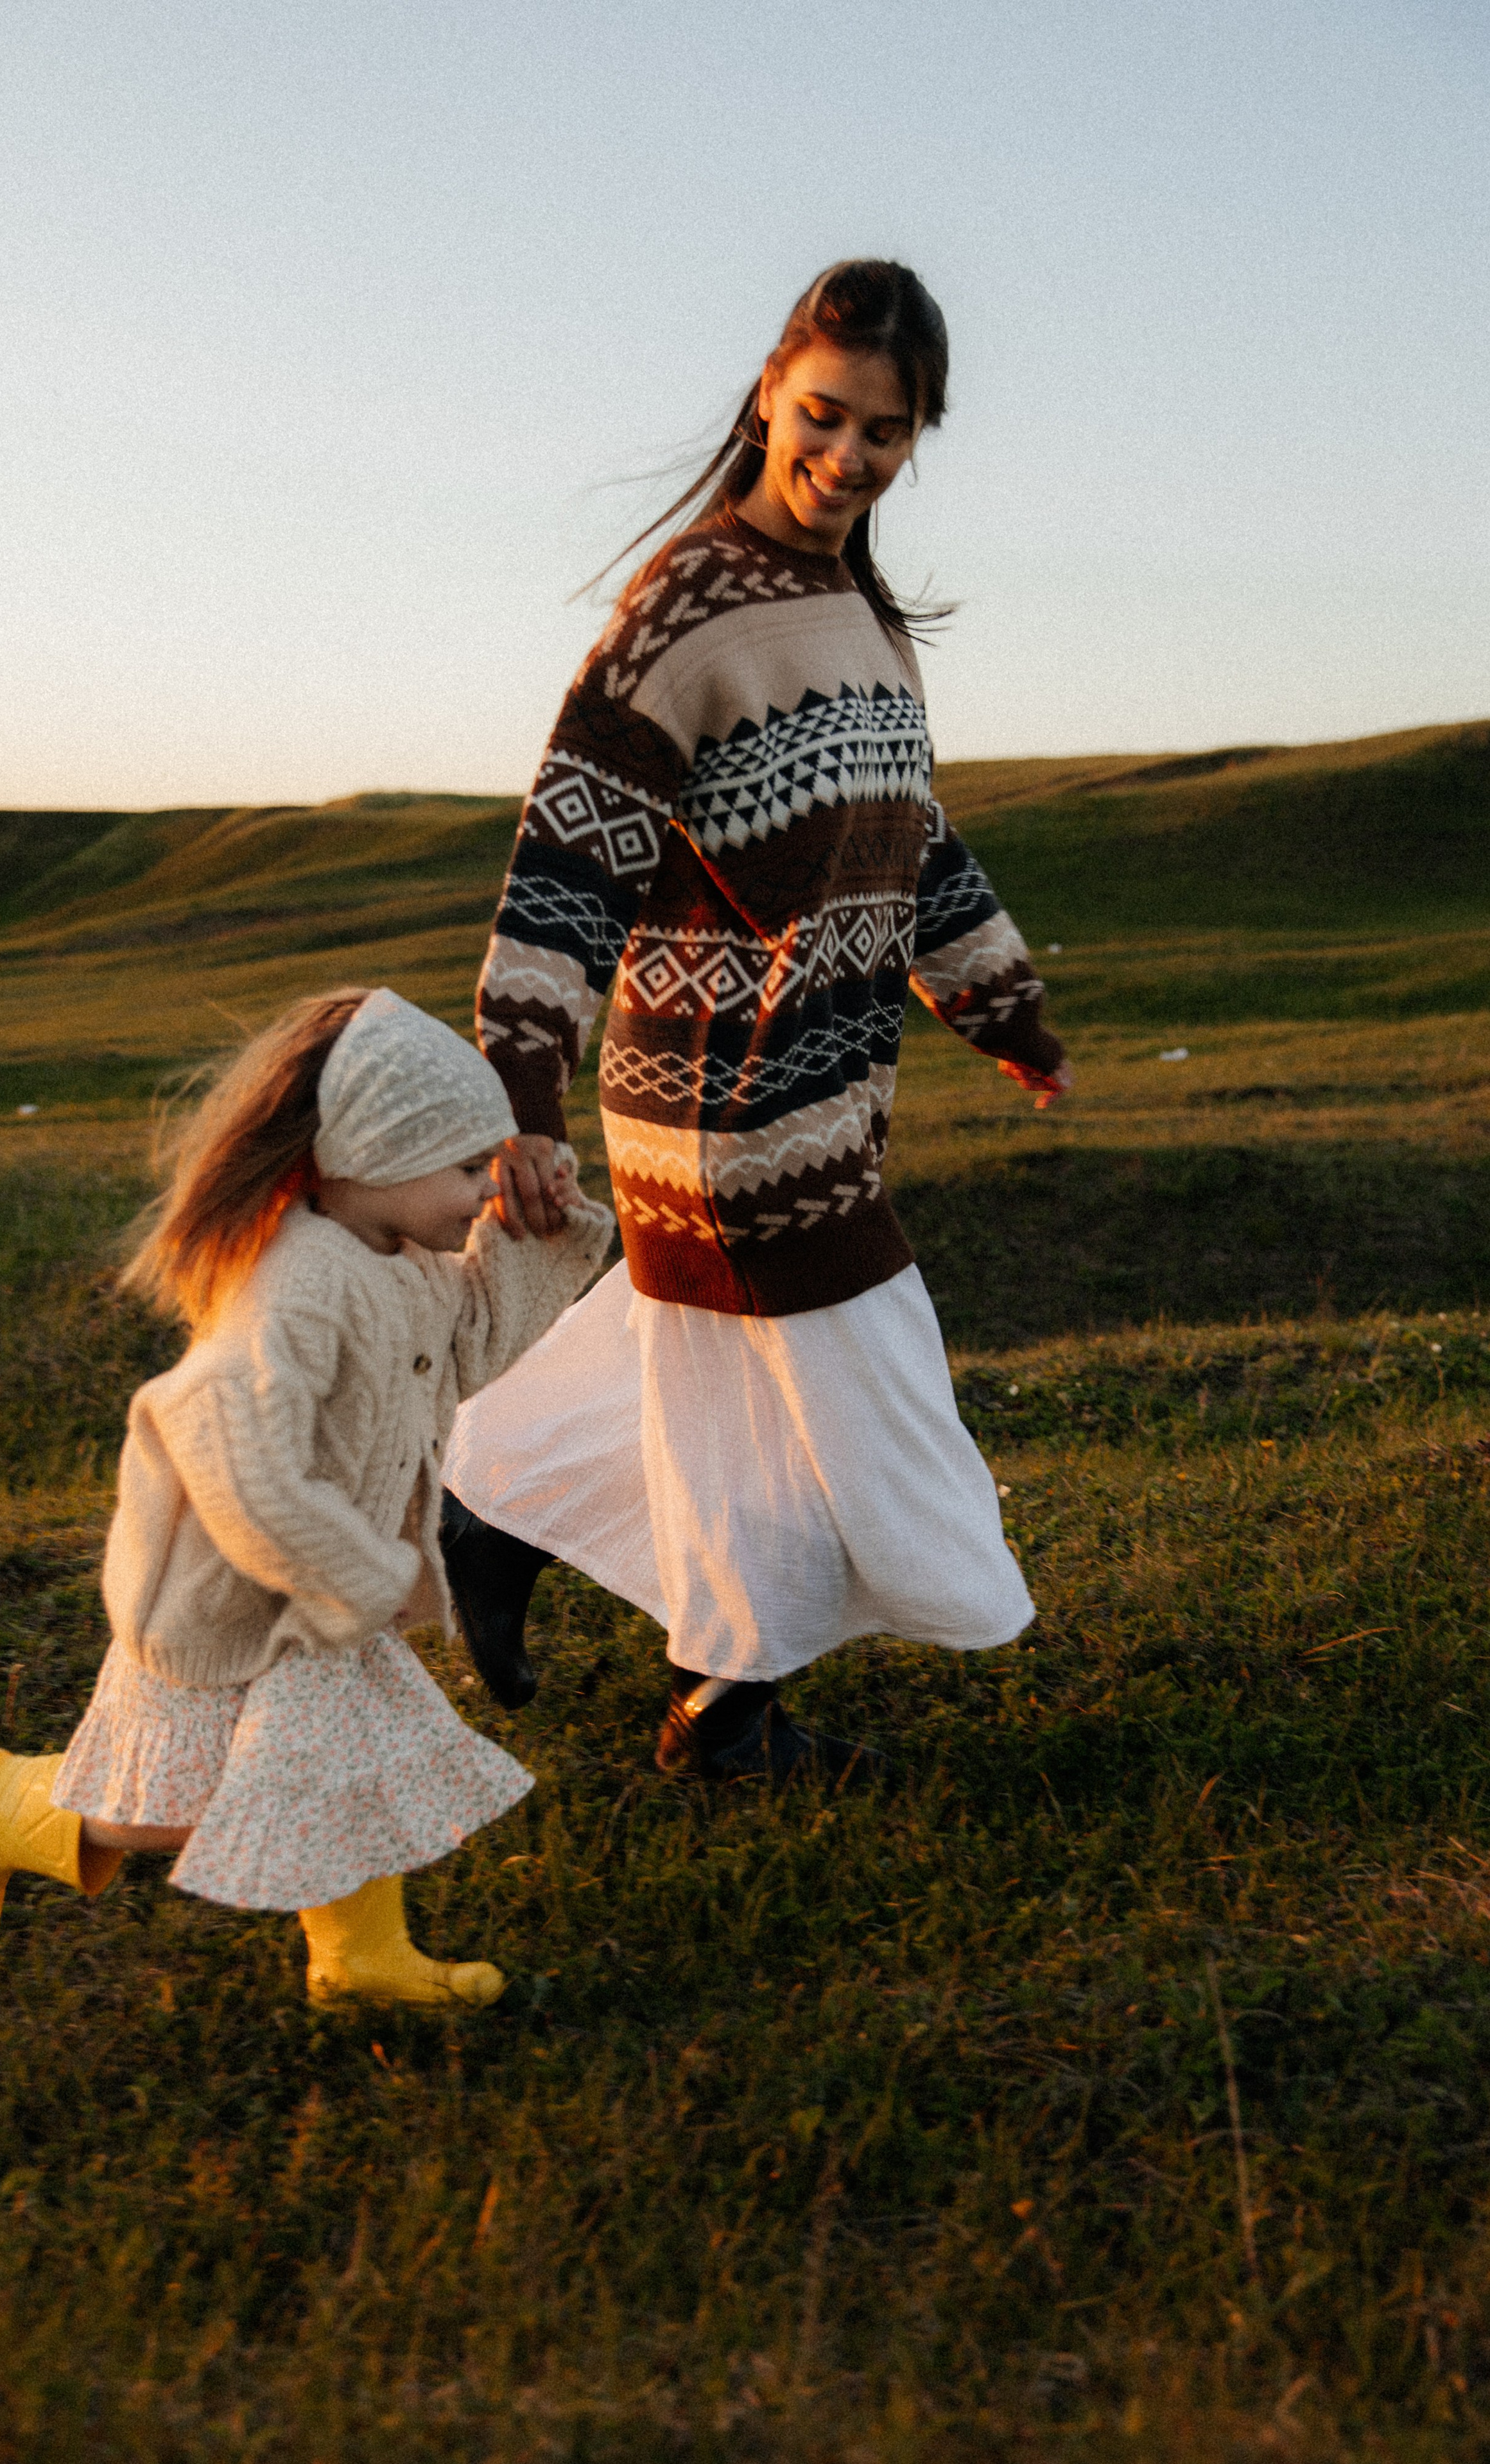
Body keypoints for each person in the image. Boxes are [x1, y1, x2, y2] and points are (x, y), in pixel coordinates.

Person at [440, 259, 1071, 1787]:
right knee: (858, 1378)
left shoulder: (860, 615)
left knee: (724, 1383)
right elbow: (568, 848)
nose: (847, 456)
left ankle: (515, 1516)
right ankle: (714, 1695)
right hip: (716, 1098)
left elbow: (907, 837)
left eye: (887, 431)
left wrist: (1003, 1008)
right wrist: (519, 1088)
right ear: (767, 398)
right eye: (823, 415)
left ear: (921, 436)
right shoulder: (689, 607)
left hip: (826, 1085)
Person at [0, 987, 612, 2006]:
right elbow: (222, 1443)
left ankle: (358, 1956)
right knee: (177, 1808)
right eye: (469, 1168)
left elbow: (465, 1348)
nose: (483, 1190)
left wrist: (530, 1236)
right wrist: (360, 1569)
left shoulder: (404, 1255)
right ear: (372, 1154)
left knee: (342, 1764)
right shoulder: (296, 1284)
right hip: (237, 1593)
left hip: (316, 1596)